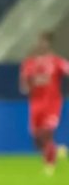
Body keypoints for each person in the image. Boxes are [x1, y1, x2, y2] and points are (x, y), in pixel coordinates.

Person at [19, 31, 69, 175]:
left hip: (52, 103)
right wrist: (26, 85)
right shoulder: (30, 63)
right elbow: (24, 83)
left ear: (49, 44)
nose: (41, 45)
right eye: (40, 42)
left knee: (47, 133)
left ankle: (49, 166)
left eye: (44, 42)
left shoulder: (56, 61)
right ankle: (56, 150)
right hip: (35, 104)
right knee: (36, 140)